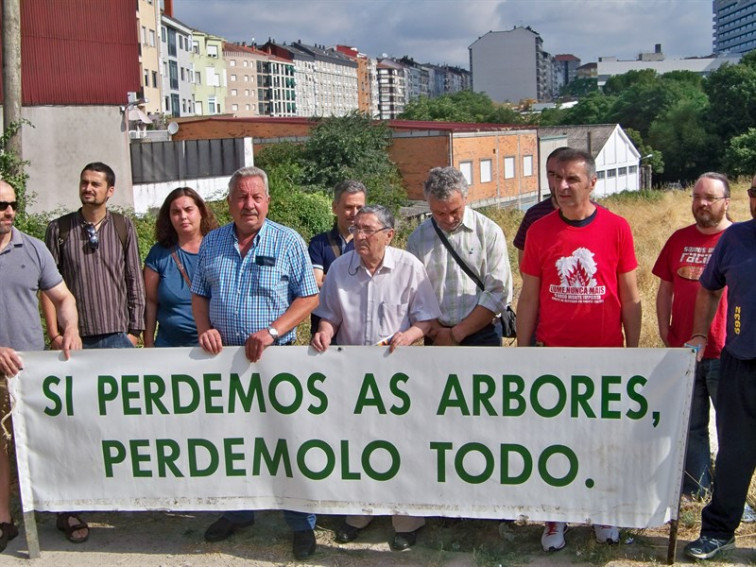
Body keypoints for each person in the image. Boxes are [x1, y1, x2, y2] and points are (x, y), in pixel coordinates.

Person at [191, 166, 319, 560]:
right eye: (241, 197)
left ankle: (301, 523)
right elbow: (199, 294)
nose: (249, 204)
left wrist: (273, 331)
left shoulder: (288, 241)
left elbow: (309, 297)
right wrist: (204, 329)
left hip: (275, 362)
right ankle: (238, 512)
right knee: (231, 443)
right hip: (223, 364)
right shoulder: (211, 243)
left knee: (285, 443)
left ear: (268, 201)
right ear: (229, 202)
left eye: (256, 197)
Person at [517, 148, 641, 552]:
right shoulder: (539, 231)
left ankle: (603, 512)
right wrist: (524, 350)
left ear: (592, 182)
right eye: (555, 177)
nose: (562, 186)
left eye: (571, 178)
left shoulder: (617, 227)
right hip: (553, 354)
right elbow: (530, 298)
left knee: (603, 441)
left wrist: (632, 353)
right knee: (557, 442)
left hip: (605, 355)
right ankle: (556, 517)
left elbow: (630, 294)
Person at [311, 205, 441, 551]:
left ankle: (406, 520)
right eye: (356, 229)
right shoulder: (340, 268)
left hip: (399, 376)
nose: (359, 236)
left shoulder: (409, 267)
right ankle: (360, 513)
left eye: (368, 229)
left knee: (401, 445)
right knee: (357, 445)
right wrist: (324, 331)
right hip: (352, 376)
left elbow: (427, 319)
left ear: (389, 234)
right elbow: (328, 315)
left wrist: (410, 335)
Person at [42, 161, 146, 543]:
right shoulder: (59, 228)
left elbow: (134, 276)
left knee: (120, 421)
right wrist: (55, 333)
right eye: (84, 182)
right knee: (74, 425)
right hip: (76, 342)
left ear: (110, 190)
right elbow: (48, 285)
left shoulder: (122, 226)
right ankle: (71, 506)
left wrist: (135, 331)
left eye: (96, 184)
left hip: (118, 337)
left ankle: (118, 495)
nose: (88, 188)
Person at [0, 180, 82, 551]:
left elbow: (63, 297)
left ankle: (64, 510)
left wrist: (71, 328)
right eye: (1, 205)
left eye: (12, 204)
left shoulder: (32, 249)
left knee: (48, 442)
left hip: (30, 371)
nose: (9, 211)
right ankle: (4, 519)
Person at [683, 178, 756, 560]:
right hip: (740, 362)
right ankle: (718, 532)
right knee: (733, 453)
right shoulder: (736, 239)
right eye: (755, 193)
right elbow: (709, 288)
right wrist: (698, 333)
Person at [652, 172, 731, 499]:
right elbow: (664, 289)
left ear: (727, 201)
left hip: (728, 353)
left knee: (731, 431)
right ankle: (698, 491)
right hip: (684, 351)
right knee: (692, 425)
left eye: (710, 198)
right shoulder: (678, 239)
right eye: (697, 197)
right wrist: (664, 330)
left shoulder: (739, 239)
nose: (701, 204)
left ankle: (729, 497)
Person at [407, 166, 512, 347]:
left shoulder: (489, 232)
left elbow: (498, 291)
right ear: (429, 205)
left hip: (482, 334)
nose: (448, 219)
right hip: (436, 336)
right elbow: (414, 294)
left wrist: (457, 333)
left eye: (455, 211)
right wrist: (437, 332)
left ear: (465, 198)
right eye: (439, 213)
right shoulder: (418, 238)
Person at [143, 187, 218, 347]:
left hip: (214, 347)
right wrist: (148, 344)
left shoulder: (219, 249)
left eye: (188, 210)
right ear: (168, 217)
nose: (183, 216)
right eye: (176, 212)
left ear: (201, 212)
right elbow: (150, 302)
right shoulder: (159, 254)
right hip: (169, 348)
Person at [307, 179, 366, 333]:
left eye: (359, 207)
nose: (354, 213)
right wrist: (353, 281)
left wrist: (330, 278)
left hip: (358, 329)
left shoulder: (370, 244)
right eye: (348, 207)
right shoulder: (318, 243)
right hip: (323, 330)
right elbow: (314, 283)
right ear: (335, 207)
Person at [512, 146, 568, 267]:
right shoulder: (534, 216)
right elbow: (525, 267)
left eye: (565, 175)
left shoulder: (600, 217)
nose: (558, 183)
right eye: (552, 174)